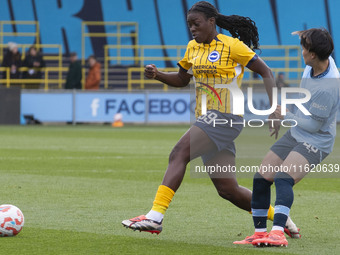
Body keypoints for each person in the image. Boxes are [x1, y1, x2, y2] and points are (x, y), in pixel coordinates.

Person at [122, 1, 299, 237]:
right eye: (189, 25)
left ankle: (155, 216)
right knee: (228, 190)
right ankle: (279, 216)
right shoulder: (192, 48)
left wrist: (275, 106)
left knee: (178, 153)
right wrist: (158, 75)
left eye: (196, 24)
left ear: (211, 22)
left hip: (226, 118)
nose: (192, 29)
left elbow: (266, 71)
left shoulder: (232, 46)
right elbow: (182, 80)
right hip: (208, 120)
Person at [234, 28, 339, 247]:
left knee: (283, 178)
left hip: (317, 140)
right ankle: (260, 233)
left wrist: (286, 115)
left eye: (304, 48)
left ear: (312, 54)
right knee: (261, 179)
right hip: (297, 132)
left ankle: (278, 233)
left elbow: (313, 125)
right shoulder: (314, 65)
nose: (301, 52)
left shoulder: (329, 86)